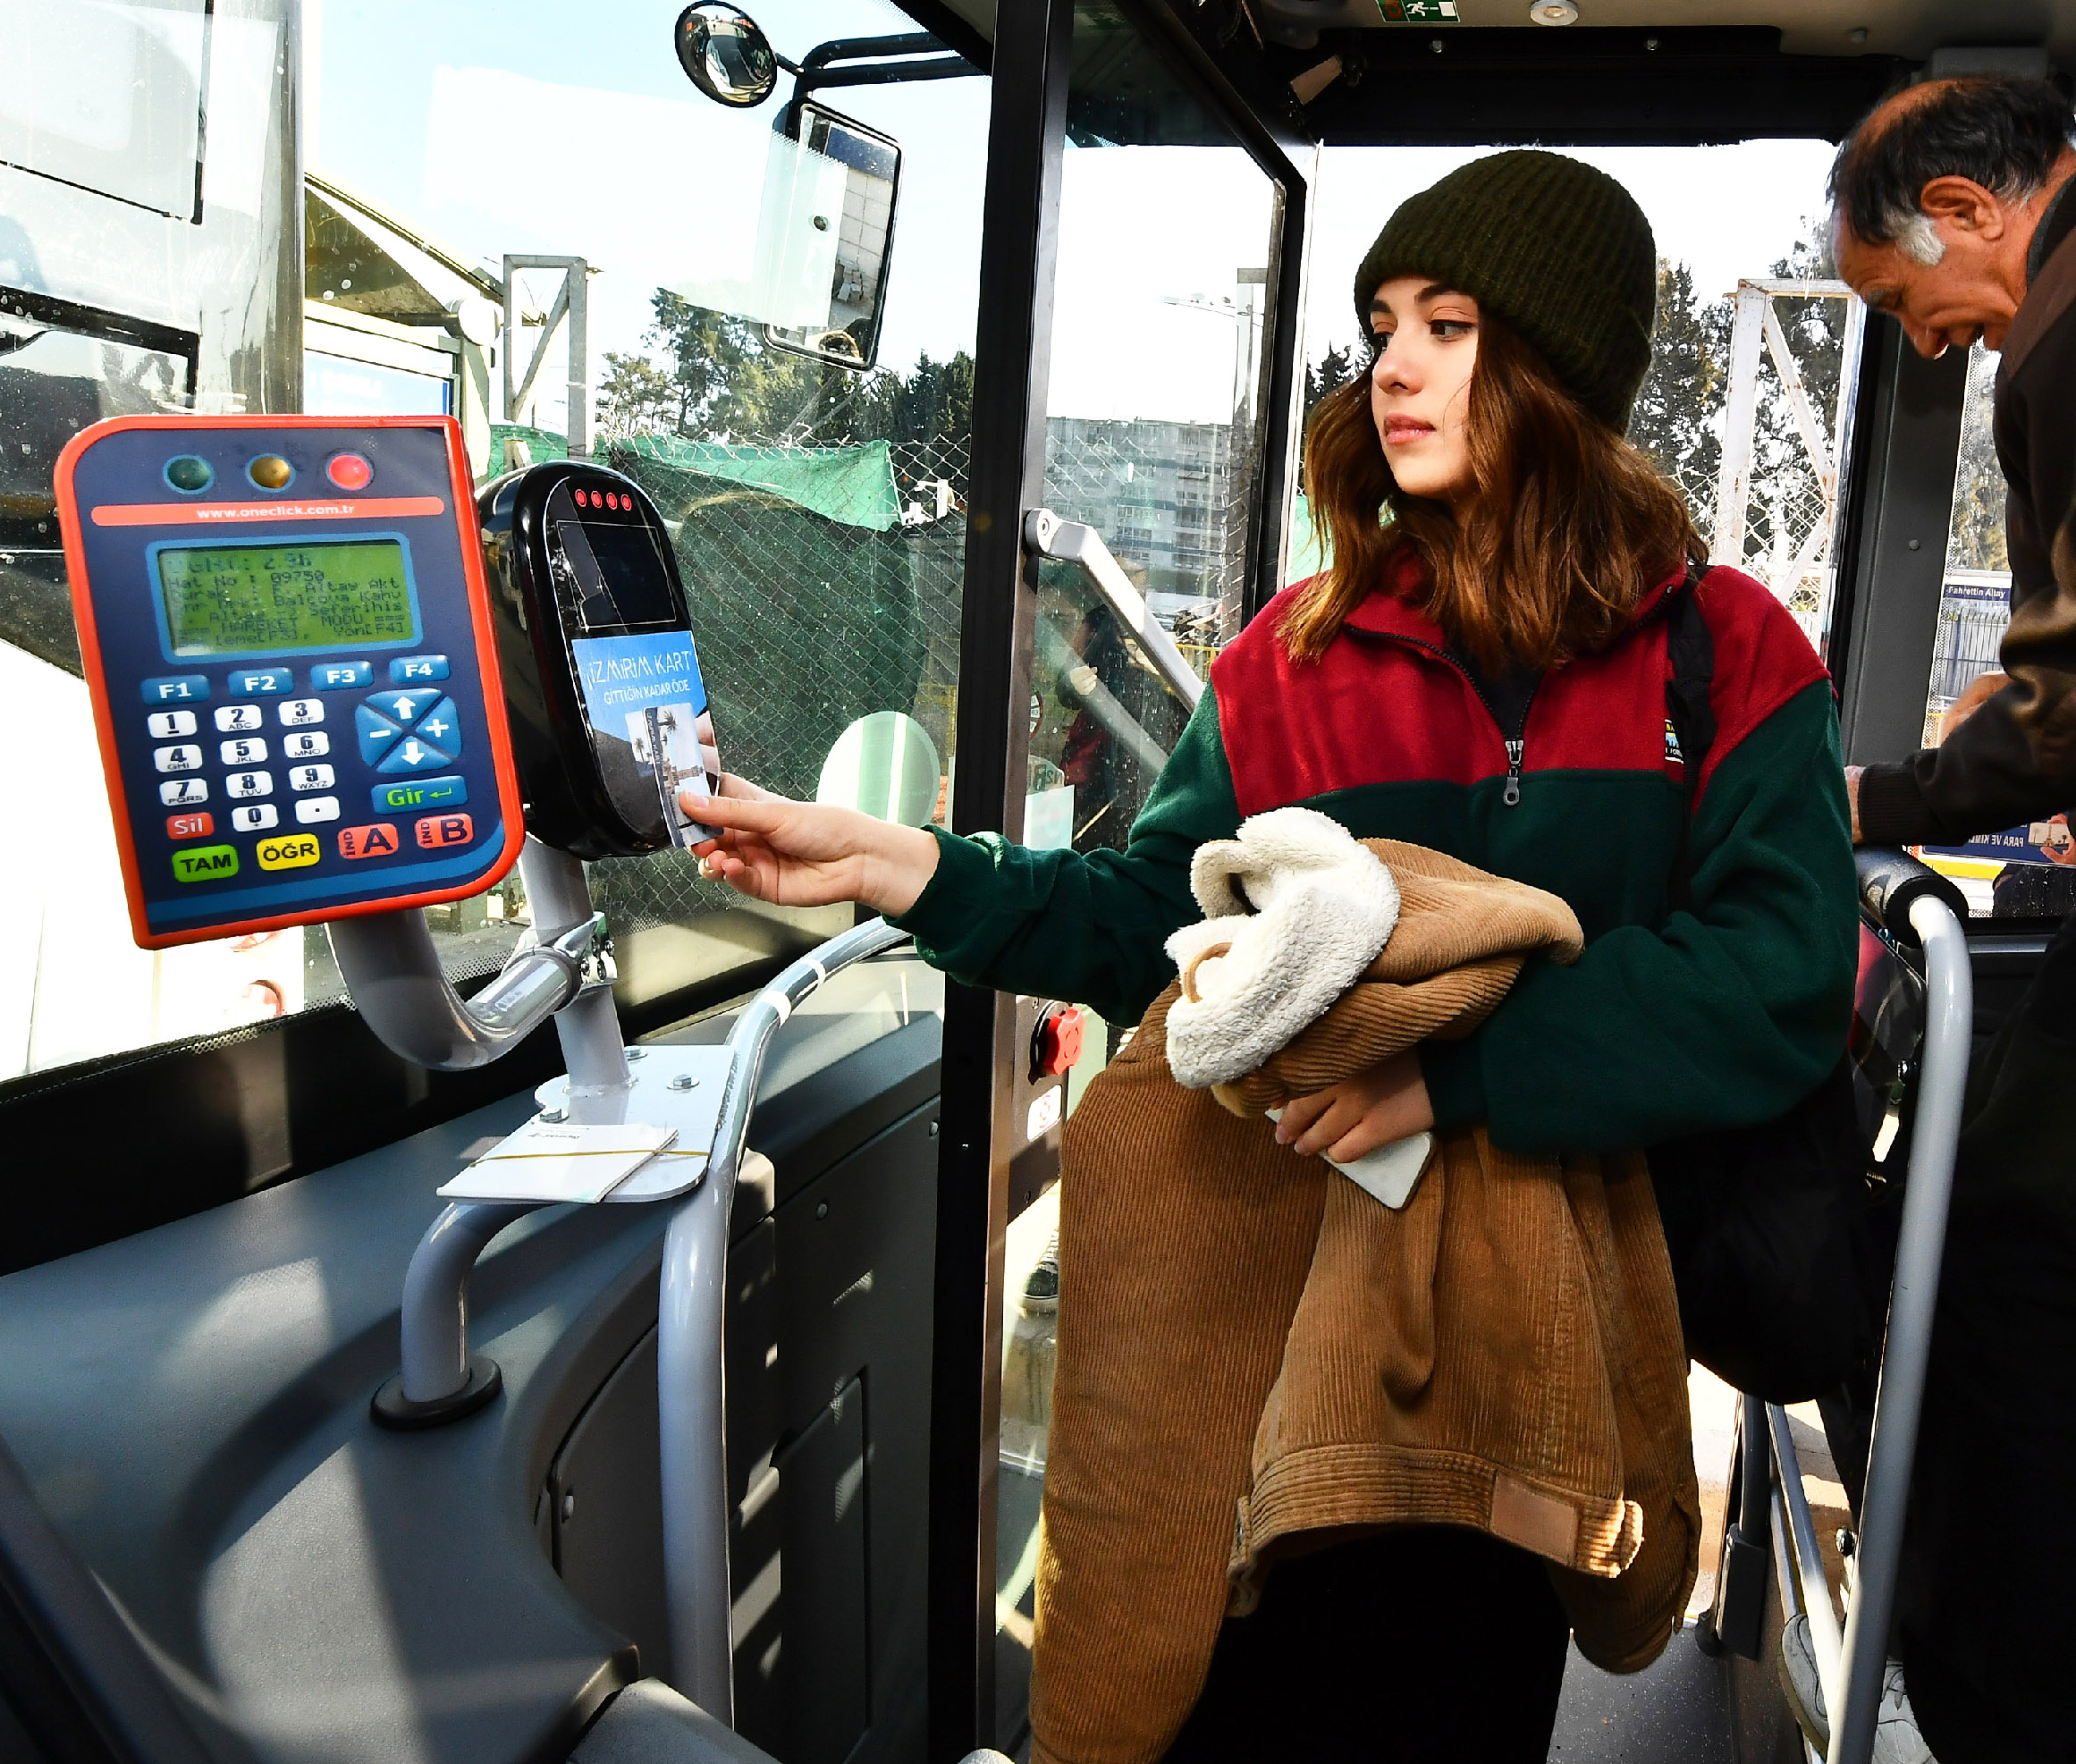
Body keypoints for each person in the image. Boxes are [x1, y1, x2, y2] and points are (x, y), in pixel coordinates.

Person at [688, 150, 1856, 1759]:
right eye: (1383, 323)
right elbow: (1148, 933)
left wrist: (1454, 1069)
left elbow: (1783, 972)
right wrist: (904, 866)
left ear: (1562, 372)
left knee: (1456, 1690)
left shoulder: (1724, 656)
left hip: (1536, 1327)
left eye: (1451, 326)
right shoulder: (1287, 661)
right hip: (1266, 1305)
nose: (1393, 366)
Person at [1832, 75, 2076, 1764]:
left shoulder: (2062, 348)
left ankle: (1997, 1700)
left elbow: (2068, 709)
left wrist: (1875, 801)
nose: (1927, 345)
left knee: (1990, 1266)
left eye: (1907, 303)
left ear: (1971, 209)